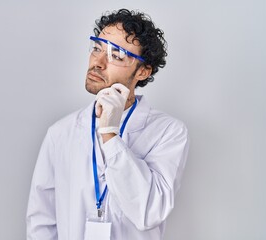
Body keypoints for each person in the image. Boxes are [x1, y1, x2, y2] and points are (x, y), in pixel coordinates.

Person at [26, 9, 189, 240]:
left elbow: (148, 211)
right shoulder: (60, 133)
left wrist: (110, 134)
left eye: (117, 55)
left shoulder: (168, 132)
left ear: (143, 71)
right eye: (97, 49)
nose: (99, 62)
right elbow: (41, 221)